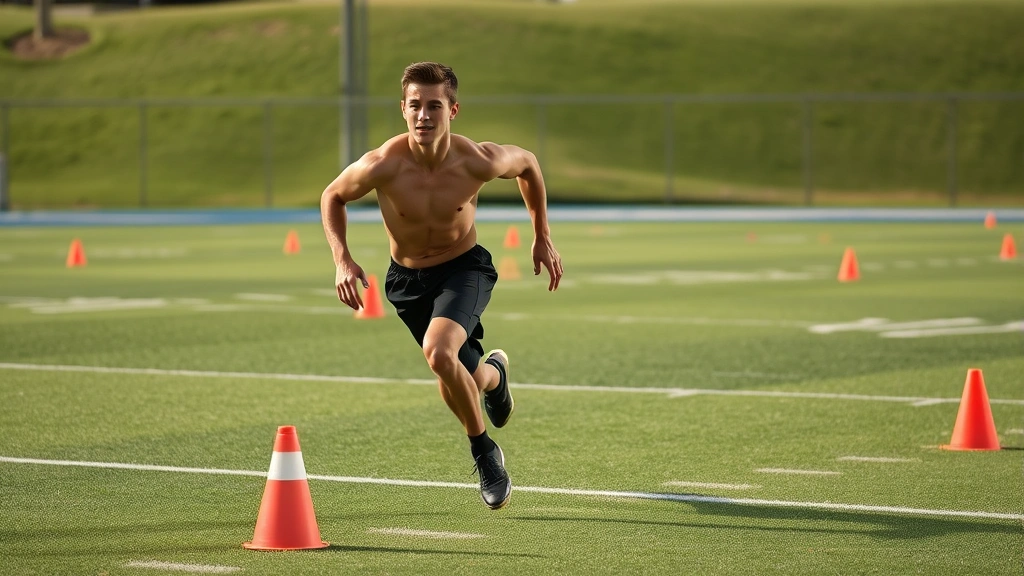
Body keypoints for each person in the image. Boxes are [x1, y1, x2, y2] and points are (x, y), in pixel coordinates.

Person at [320, 62, 563, 510]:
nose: (424, 115)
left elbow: (528, 164)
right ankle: (495, 378)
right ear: (403, 109)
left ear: (453, 109)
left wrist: (541, 235)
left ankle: (484, 454)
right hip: (405, 281)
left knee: (438, 352)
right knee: (461, 374)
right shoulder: (382, 164)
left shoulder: (478, 160)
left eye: (435, 106)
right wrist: (342, 258)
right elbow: (331, 196)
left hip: (463, 269)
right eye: (415, 105)